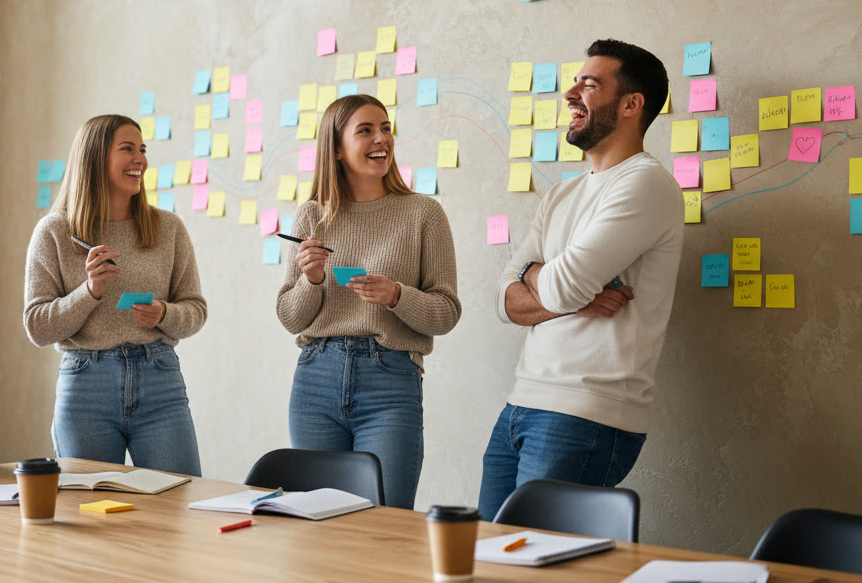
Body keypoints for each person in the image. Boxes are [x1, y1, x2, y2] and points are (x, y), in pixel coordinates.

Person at [478, 39, 684, 519]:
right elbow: (502, 301)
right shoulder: (562, 194)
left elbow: (557, 289)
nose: (571, 94)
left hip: (587, 413)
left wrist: (541, 278)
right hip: (520, 404)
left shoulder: (645, 183)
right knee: (489, 560)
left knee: (540, 572)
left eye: (589, 85)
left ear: (632, 104)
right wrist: (553, 285)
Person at [276, 94, 461, 510]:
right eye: (366, 130)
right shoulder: (311, 217)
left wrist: (397, 295)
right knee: (318, 523)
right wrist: (312, 280)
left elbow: (447, 312)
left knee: (385, 524)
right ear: (337, 149)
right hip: (315, 379)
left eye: (386, 128)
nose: (382, 139)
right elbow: (291, 318)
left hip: (390, 382)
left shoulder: (423, 213)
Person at [24, 114, 206, 475]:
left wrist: (164, 315)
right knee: (88, 517)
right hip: (85, 386)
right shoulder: (55, 232)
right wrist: (89, 291)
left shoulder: (168, 228)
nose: (140, 159)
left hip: (160, 381)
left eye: (142, 149)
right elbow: (37, 327)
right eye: (127, 149)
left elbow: (196, 310)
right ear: (94, 158)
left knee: (178, 505)